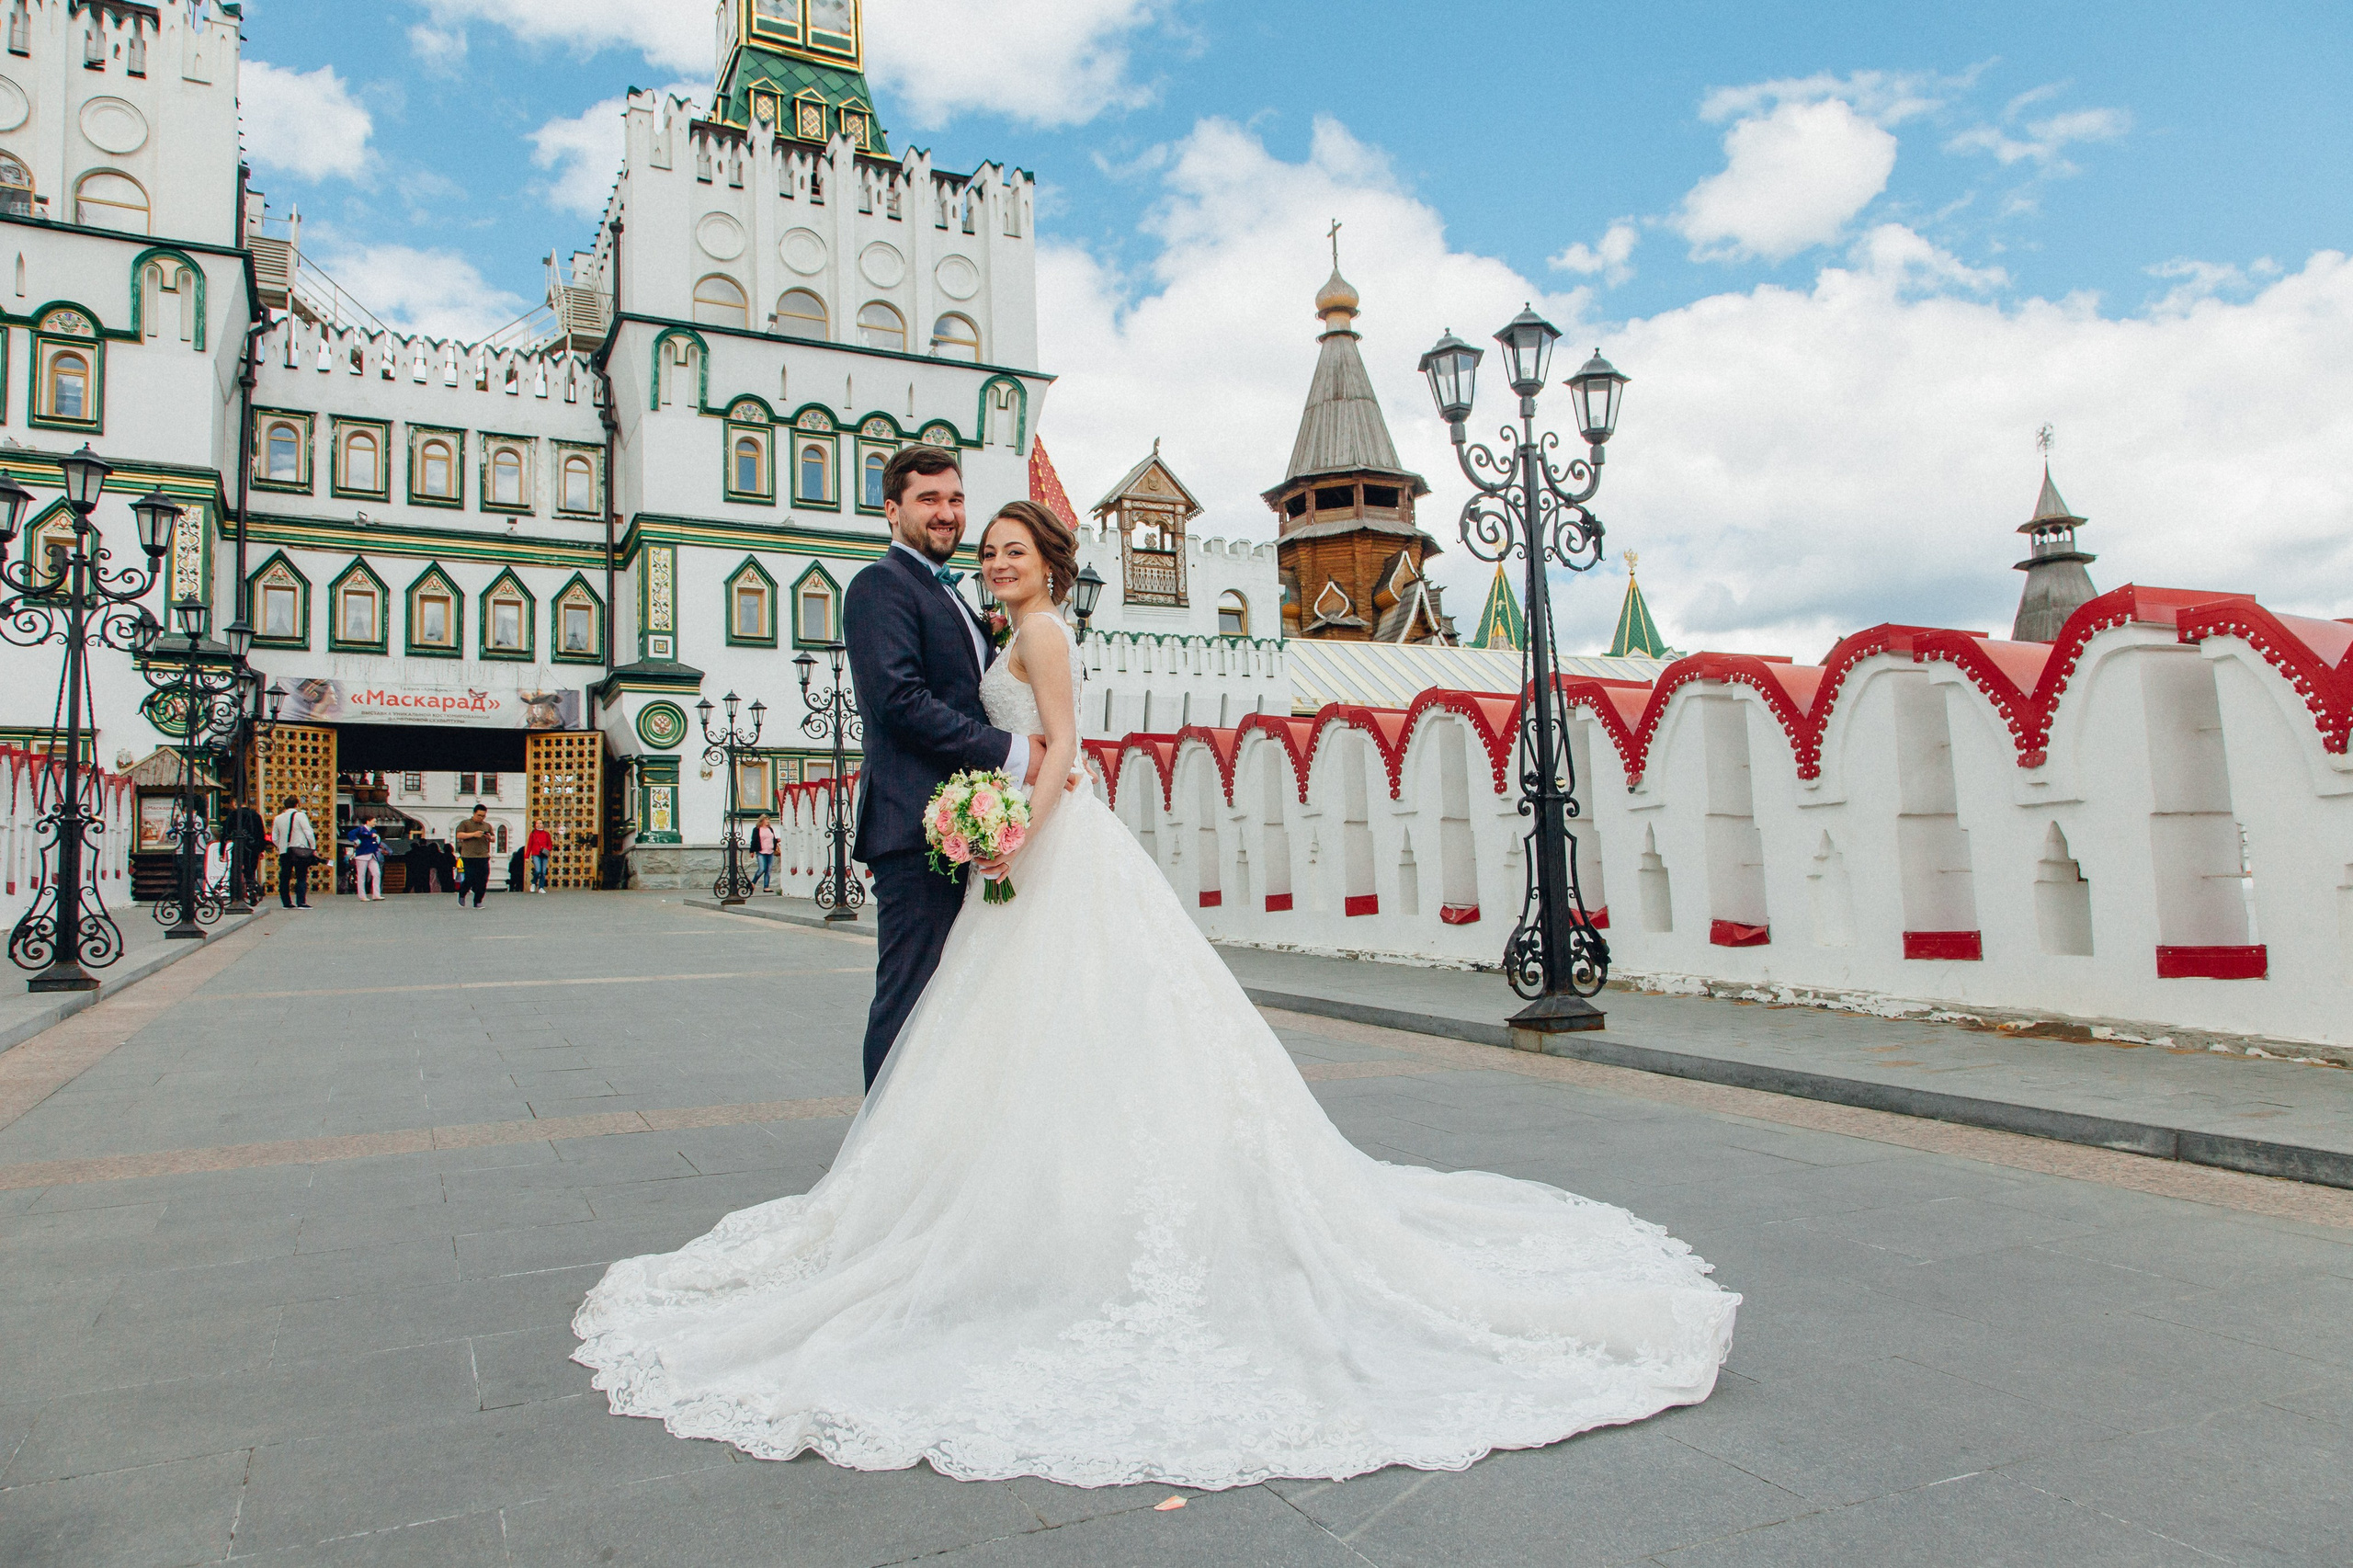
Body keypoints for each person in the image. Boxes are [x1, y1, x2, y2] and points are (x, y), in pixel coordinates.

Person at [570, 498, 1741, 1490]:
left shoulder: (1044, 635)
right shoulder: (1011, 626)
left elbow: (1063, 751)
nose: (997, 563)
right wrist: (1003, 816)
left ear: (1054, 565)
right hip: (1026, 842)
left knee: (1071, 1024)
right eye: (987, 552)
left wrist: (1010, 825)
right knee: (1022, 1032)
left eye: (1014, 552)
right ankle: (1021, 1189)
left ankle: (1057, 1202)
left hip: (1050, 837)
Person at [269, 793, 314, 909]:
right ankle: (301, 902)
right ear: (297, 804)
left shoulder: (278, 818)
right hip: (299, 850)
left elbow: (274, 837)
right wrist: (312, 847)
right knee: (301, 876)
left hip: (284, 851)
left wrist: (281, 846)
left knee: (285, 877)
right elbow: (308, 832)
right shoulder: (300, 816)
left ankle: (286, 902)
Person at [224, 795, 267, 906]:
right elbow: (261, 834)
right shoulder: (255, 815)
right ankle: (251, 891)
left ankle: (234, 895)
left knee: (235, 870)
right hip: (253, 848)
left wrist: (222, 850)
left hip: (238, 847)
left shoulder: (233, 815)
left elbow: (226, 832)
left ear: (234, 803)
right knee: (250, 871)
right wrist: (261, 849)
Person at [452, 804, 493, 909]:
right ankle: (462, 893)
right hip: (469, 856)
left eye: (483, 816)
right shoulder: (465, 823)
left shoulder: (486, 825)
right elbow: (459, 835)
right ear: (474, 813)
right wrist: (473, 834)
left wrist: (489, 837)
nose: (481, 818)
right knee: (470, 877)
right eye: (479, 815)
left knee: (483, 879)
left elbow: (493, 838)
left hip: (483, 856)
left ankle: (478, 901)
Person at [347, 818, 385, 902]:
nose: (375, 823)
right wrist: (357, 841)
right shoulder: (360, 829)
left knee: (377, 873)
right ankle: (362, 895)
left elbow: (376, 841)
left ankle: (376, 894)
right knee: (361, 875)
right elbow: (351, 834)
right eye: (374, 821)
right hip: (362, 855)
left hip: (372, 854)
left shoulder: (374, 830)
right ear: (368, 821)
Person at [750, 814, 779, 894]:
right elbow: (754, 840)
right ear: (762, 820)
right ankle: (753, 882)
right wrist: (752, 851)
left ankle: (766, 887)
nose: (768, 821)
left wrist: (777, 840)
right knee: (762, 868)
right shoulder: (757, 829)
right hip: (761, 851)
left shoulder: (770, 829)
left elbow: (772, 839)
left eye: (768, 820)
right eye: (766, 820)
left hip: (770, 851)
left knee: (768, 870)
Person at [526, 822, 553, 892]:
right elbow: (529, 845)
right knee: (538, 870)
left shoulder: (546, 834)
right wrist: (527, 856)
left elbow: (550, 845)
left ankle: (541, 887)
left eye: (540, 823)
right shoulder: (533, 834)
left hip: (544, 854)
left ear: (543, 825)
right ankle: (533, 883)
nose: (538, 825)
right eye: (537, 823)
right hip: (536, 854)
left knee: (543, 871)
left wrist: (546, 849)